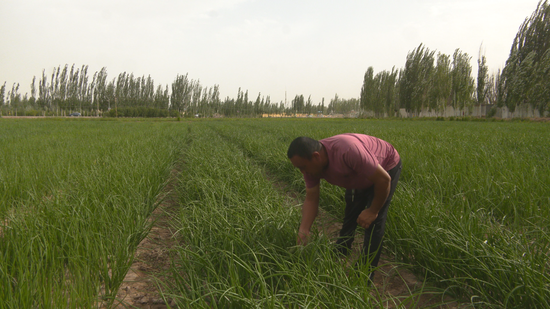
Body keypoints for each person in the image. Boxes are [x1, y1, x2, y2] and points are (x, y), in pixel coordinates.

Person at [287, 134, 402, 280]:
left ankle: (364, 274)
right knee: (352, 209)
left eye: (303, 167)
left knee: (373, 222)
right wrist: (304, 229)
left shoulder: (347, 150)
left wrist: (373, 210)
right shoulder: (311, 166)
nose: (303, 173)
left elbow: (384, 180)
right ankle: (342, 248)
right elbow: (311, 198)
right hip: (358, 173)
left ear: (316, 156)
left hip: (385, 168)